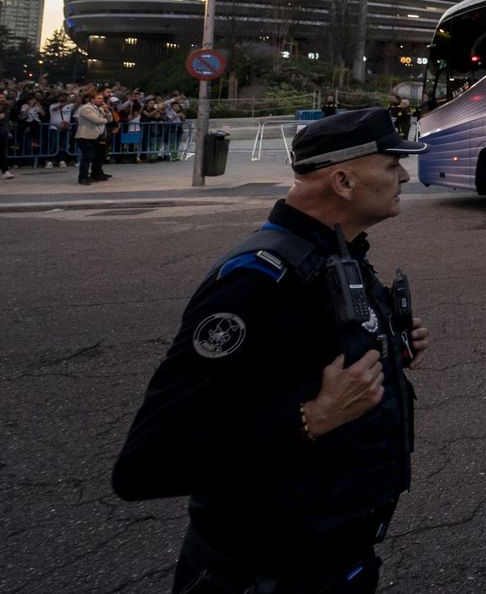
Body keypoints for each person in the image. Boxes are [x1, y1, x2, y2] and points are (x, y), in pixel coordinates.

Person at [112, 108, 431, 593]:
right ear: (343, 181)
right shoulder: (255, 283)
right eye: (391, 165)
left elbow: (299, 364)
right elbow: (145, 464)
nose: (404, 175)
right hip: (262, 572)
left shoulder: (336, 252)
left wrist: (389, 349)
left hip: (335, 555)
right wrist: (311, 418)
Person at [74, 91, 111, 185]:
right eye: (99, 98)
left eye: (102, 98)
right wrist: (105, 119)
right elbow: (97, 120)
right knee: (86, 157)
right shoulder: (86, 108)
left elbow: (110, 119)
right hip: (85, 136)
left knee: (98, 156)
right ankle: (83, 177)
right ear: (92, 99)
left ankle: (95, 174)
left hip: (97, 136)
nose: (101, 100)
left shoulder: (100, 108)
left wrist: (107, 111)